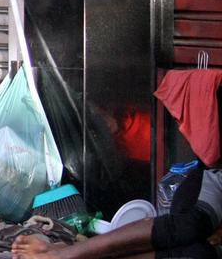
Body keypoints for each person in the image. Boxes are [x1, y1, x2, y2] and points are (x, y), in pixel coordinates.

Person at [13, 70, 222, 259]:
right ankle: (70, 254)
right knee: (194, 241)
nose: (181, 126)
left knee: (196, 246)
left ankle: (68, 255)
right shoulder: (204, 176)